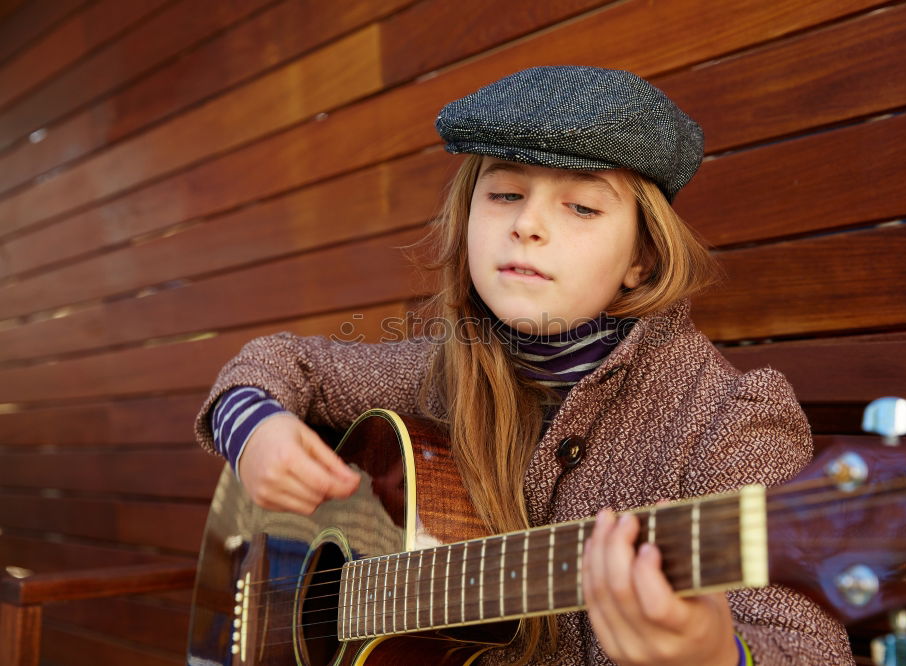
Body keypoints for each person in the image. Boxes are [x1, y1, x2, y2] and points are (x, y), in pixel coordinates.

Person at [194, 66, 853, 665]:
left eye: (582, 206)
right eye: (505, 194)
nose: (528, 225)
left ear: (642, 259)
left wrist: (713, 657)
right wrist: (253, 428)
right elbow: (284, 364)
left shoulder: (725, 421)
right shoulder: (445, 371)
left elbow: (809, 649)